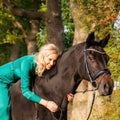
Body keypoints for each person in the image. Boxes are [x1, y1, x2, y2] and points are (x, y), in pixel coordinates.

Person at [0, 43, 62, 120]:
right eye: (50, 59)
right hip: (2, 80)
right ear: (43, 56)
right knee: (4, 107)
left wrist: (65, 95)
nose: (52, 63)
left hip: (13, 82)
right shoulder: (27, 63)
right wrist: (46, 104)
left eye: (54, 61)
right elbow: (25, 91)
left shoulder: (46, 66)